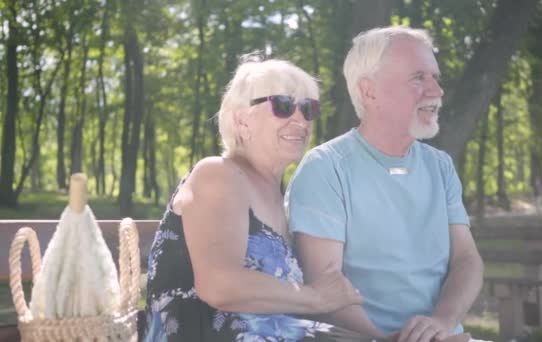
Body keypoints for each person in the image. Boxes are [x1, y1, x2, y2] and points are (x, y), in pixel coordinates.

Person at [143, 57, 364, 341]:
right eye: (283, 105)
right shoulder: (218, 174)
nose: (300, 119)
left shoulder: (279, 199)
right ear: (241, 119)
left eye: (309, 108)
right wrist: (315, 297)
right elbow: (218, 285)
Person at [286, 26, 484, 342]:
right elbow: (325, 285)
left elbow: (467, 260)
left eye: (436, 78)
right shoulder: (325, 169)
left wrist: (443, 322)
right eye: (419, 78)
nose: (437, 90)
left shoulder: (440, 165)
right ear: (369, 91)